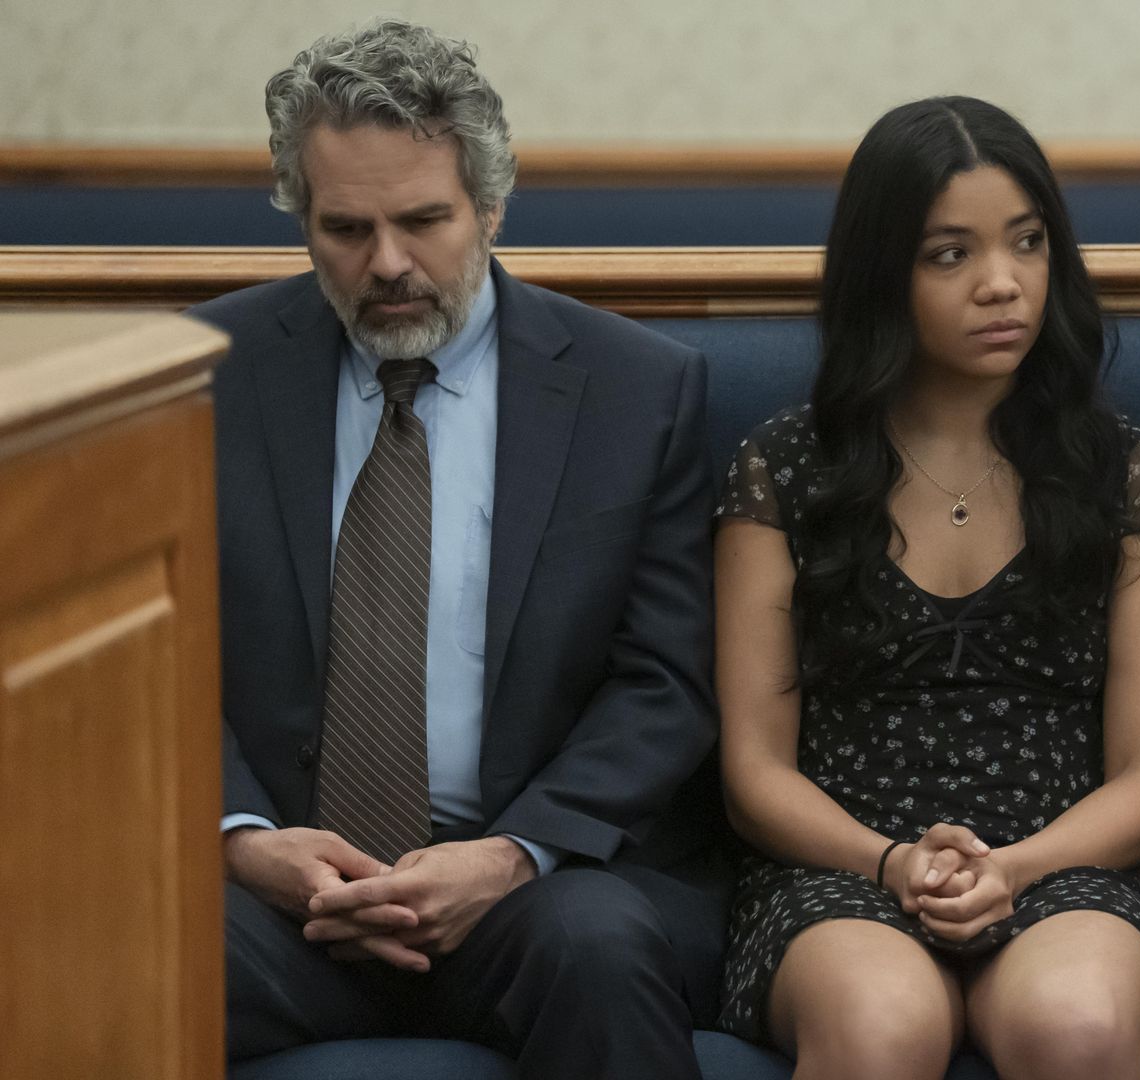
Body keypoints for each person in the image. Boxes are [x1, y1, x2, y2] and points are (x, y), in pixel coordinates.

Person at [191, 19, 723, 1079]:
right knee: (95, 950)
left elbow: (665, 682)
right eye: (346, 228)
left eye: (424, 220)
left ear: (490, 204)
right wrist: (243, 841)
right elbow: (143, 663)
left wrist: (509, 855)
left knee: (603, 951)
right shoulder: (204, 375)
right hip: (281, 889)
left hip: (530, 888)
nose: (387, 264)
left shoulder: (635, 390)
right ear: (301, 218)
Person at [712, 96, 1140, 1080]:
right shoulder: (784, 469)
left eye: (1027, 244)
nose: (1001, 285)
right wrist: (893, 863)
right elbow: (756, 774)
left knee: (1074, 1023)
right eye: (950, 255)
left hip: (1069, 869)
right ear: (882, 275)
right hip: (840, 871)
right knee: (878, 1025)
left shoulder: (1129, 474)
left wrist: (1013, 870)